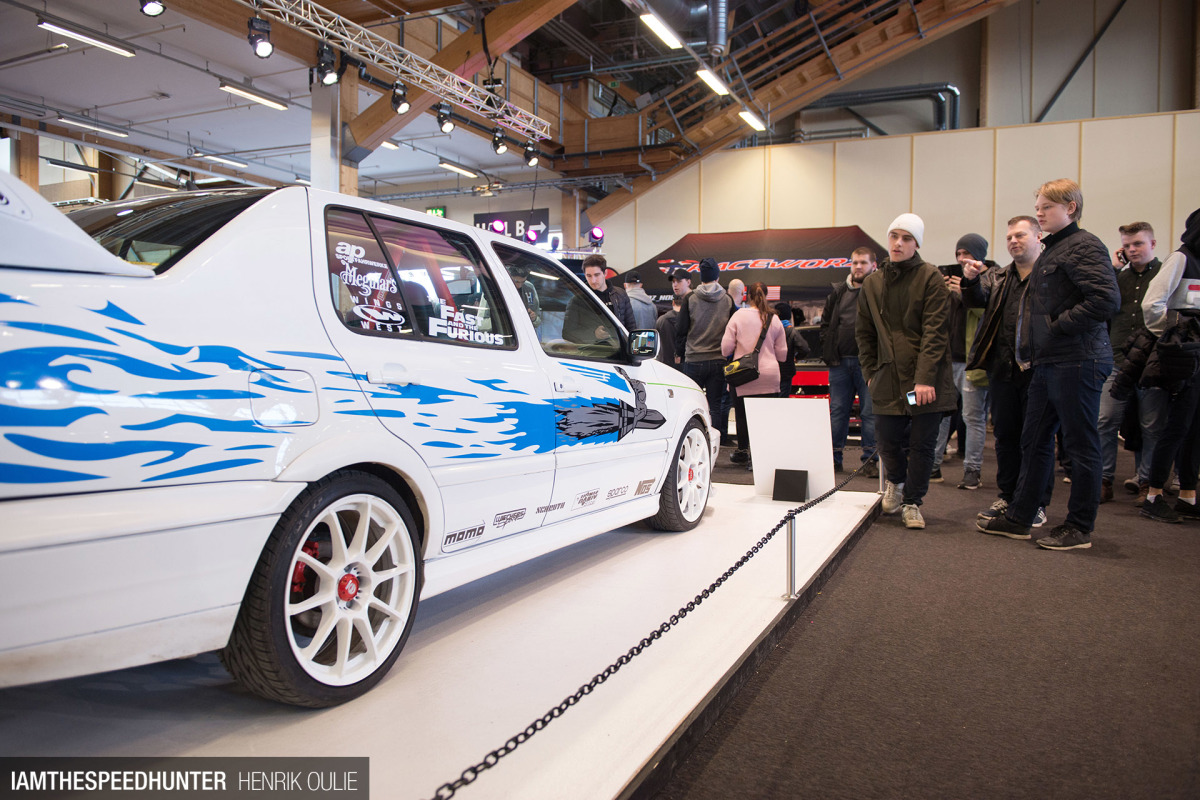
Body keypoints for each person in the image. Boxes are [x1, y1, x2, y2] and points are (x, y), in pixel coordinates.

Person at [978, 179, 1119, 550]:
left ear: (1070, 207)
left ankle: (1078, 526)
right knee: (1033, 439)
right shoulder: (1053, 249)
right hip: (1049, 361)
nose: (1039, 213)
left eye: (1046, 207)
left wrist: (1057, 327)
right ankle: (1020, 517)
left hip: (1079, 359)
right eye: (1037, 207)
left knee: (1079, 445)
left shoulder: (1084, 245)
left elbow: (1105, 300)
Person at [856, 213, 956, 530]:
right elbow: (864, 333)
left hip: (923, 381)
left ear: (917, 244)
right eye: (894, 236)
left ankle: (913, 502)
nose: (898, 243)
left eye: (907, 238)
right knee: (886, 441)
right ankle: (896, 482)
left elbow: (935, 333)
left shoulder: (931, 278)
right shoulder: (872, 283)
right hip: (886, 378)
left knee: (922, 445)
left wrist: (924, 379)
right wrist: (870, 372)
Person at [962, 216, 1052, 528]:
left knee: (1036, 441)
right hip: (1002, 369)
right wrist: (971, 280)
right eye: (1010, 236)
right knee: (1005, 437)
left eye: (1020, 235)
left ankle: (1036, 502)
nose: (1013, 241)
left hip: (1039, 370)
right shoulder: (997, 276)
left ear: (1038, 237)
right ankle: (1008, 496)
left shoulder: (1051, 274)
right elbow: (975, 301)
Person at [1133, 208, 1200, 523]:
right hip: (1182, 358)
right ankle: (1154, 495)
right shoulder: (1181, 258)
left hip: (1197, 357)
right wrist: (1177, 335)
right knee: (1176, 427)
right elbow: (1152, 305)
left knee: (1195, 428)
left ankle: (1188, 495)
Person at [1096, 221, 1164, 505]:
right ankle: (1103, 480)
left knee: (1151, 425)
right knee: (1105, 420)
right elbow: (1101, 304)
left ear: (1152, 244)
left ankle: (1147, 482)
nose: (1132, 249)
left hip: (1153, 363)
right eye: (1127, 245)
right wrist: (1113, 268)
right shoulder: (1118, 278)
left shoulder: (1163, 276)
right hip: (1117, 359)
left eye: (1138, 244)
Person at [934, 234, 995, 490]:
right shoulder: (952, 284)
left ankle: (972, 470)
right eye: (958, 254)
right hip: (947, 360)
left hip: (973, 362)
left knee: (972, 417)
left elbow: (987, 315)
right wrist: (945, 293)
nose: (961, 259)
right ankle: (933, 464)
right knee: (940, 415)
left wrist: (968, 291)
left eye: (966, 253)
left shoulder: (992, 279)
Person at [821, 246, 879, 476]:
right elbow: (826, 325)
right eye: (855, 262)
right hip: (840, 363)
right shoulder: (837, 293)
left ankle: (869, 461)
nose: (858, 267)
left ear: (873, 265)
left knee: (870, 414)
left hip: (869, 365)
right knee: (837, 413)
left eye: (863, 263)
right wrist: (829, 347)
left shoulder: (879, 292)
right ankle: (833, 459)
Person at [722, 283, 788, 466]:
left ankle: (743, 452)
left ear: (747, 296)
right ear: (766, 295)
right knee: (766, 419)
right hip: (769, 376)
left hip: (743, 375)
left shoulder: (738, 316)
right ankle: (761, 457)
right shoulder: (774, 319)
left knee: (742, 416)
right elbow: (782, 355)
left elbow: (725, 349)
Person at [675, 257, 735, 439]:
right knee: (715, 405)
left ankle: (692, 440)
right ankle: (715, 442)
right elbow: (733, 330)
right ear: (717, 277)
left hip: (694, 359)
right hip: (718, 360)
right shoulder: (727, 299)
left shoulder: (690, 298)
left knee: (690, 404)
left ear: (701, 277)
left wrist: (680, 354)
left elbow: (681, 329)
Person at [564, 254, 635, 343]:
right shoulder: (577, 300)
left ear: (605, 273)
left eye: (596, 275)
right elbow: (568, 333)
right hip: (593, 350)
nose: (593, 280)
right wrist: (594, 334)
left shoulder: (620, 295)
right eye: (589, 276)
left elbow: (631, 327)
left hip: (620, 348)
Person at [774, 303, 811, 398]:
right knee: (782, 401)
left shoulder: (770, 330)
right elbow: (805, 349)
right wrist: (795, 357)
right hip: (786, 372)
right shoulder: (792, 332)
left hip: (771, 371)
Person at [509, 264, 542, 329]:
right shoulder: (500, 286)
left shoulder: (529, 288)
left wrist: (534, 319)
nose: (519, 286)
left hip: (524, 330)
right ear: (509, 276)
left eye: (523, 282)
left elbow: (538, 320)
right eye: (516, 281)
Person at [655, 293, 682, 368]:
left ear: (673, 302)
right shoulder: (691, 320)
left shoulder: (661, 320)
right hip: (684, 365)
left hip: (664, 364)